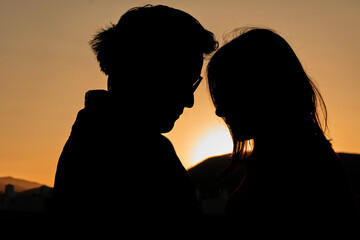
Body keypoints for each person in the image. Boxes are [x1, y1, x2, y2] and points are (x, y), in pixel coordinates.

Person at [53, 5, 218, 218]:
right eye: (181, 82)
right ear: (143, 72)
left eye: (192, 84)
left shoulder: (97, 139)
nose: (190, 101)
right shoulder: (137, 155)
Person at [207, 27, 358, 221]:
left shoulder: (307, 174)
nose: (219, 110)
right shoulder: (291, 164)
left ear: (266, 90)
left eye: (228, 94)